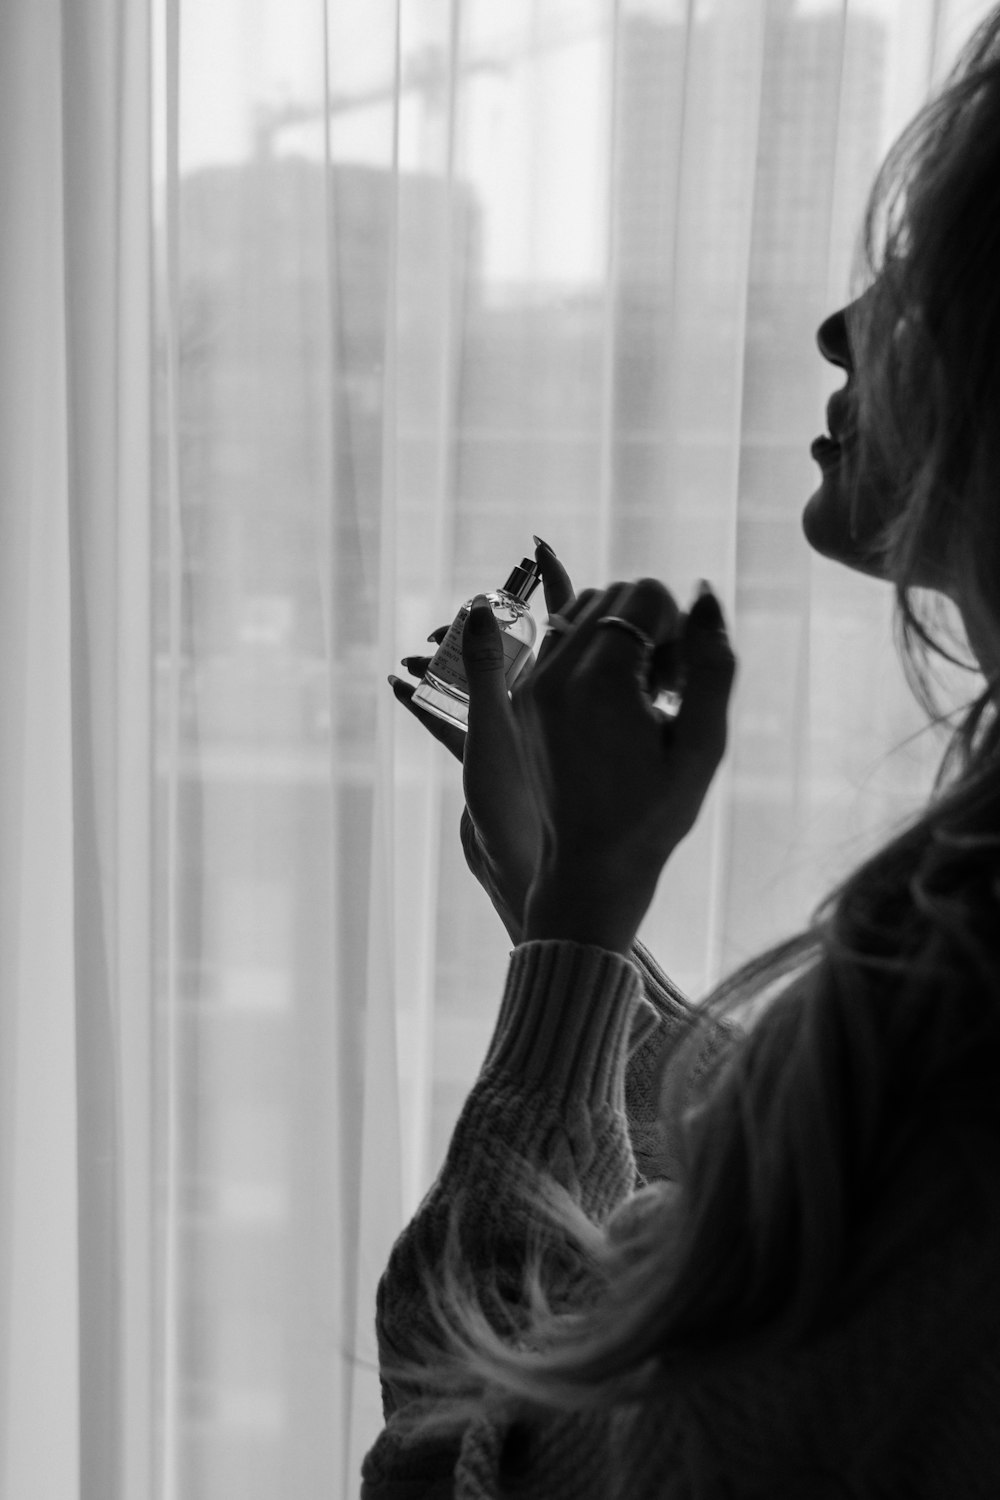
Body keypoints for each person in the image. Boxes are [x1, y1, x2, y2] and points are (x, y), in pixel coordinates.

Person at [366, 9, 1000, 1496]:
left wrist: (582, 930)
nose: (845, 330)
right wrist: (569, 923)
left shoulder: (956, 1031)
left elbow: (469, 1463)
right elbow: (773, 1247)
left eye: (938, 274)